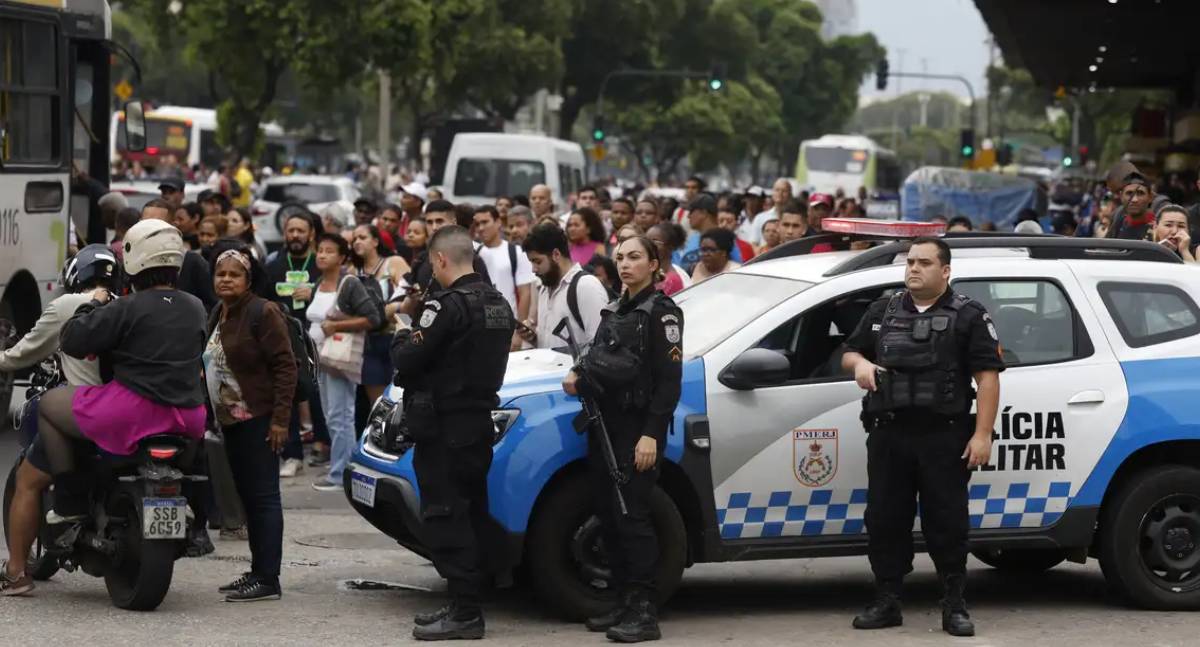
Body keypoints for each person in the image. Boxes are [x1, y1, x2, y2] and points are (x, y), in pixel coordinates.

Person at [841, 237, 1003, 637]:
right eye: (910, 262)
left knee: (947, 523)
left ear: (945, 271)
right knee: (884, 520)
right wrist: (860, 363)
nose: (914, 268)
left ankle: (954, 605)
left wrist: (982, 435)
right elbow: (847, 352)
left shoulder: (968, 315)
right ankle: (887, 600)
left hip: (943, 437)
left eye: (924, 263)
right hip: (889, 434)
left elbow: (987, 378)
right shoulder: (884, 309)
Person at [37, 220, 209, 525]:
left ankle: (70, 500)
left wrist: (91, 305)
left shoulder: (126, 306)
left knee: (49, 405)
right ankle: (187, 503)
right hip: (189, 415)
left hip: (133, 411)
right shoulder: (195, 306)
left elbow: (74, 340)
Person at [390, 225, 514, 640]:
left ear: (441, 259)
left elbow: (408, 358)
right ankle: (469, 600)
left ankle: (465, 612)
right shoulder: (498, 303)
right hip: (477, 423)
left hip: (444, 425)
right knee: (471, 511)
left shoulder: (444, 307)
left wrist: (403, 332)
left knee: (446, 515)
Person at [562, 235, 684, 642]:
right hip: (605, 426)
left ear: (654, 263)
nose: (625, 264)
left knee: (633, 517)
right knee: (609, 514)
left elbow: (668, 384)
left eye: (635, 257)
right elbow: (598, 355)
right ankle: (623, 601)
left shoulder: (661, 312)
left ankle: (644, 612)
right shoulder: (616, 309)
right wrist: (580, 374)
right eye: (620, 258)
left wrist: (651, 434)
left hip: (636, 429)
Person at [1, 246, 119, 595]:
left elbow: (26, 351)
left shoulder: (67, 306)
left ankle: (16, 573)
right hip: (128, 410)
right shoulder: (128, 305)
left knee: (27, 481)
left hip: (81, 409)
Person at [205, 249, 297, 602]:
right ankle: (257, 571)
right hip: (230, 423)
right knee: (249, 499)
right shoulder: (220, 312)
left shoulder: (263, 312)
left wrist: (279, 420)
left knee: (263, 500)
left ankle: (268, 578)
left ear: (248, 280)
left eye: (234, 274)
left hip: (258, 420)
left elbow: (285, 368)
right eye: (220, 273)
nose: (226, 279)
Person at [308, 233, 383, 492]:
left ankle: (341, 473)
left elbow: (373, 318)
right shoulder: (318, 283)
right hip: (321, 358)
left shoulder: (349, 284)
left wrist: (336, 325)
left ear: (342, 258)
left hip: (339, 358)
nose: (322, 255)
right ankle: (341, 468)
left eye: (329, 251)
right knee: (331, 415)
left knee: (341, 415)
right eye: (319, 250)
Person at [264, 211, 326, 477]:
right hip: (283, 339)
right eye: (291, 231)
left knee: (318, 394)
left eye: (301, 230)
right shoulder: (275, 265)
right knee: (286, 395)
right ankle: (292, 454)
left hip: (316, 339)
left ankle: (324, 445)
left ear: (311, 233)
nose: (295, 235)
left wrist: (313, 291)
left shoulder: (320, 264)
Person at [519, 223, 608, 349]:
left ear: (556, 254)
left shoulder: (586, 286)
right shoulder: (544, 288)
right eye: (531, 262)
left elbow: (601, 345)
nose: (533, 269)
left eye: (538, 261)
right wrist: (533, 338)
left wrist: (577, 368)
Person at [353, 223, 410, 403]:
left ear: (376, 241)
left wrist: (393, 309)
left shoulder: (393, 262)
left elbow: (412, 294)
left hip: (396, 338)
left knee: (400, 398)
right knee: (378, 403)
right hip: (368, 342)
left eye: (362, 237)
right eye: (354, 239)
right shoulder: (353, 272)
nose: (356, 242)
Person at [473, 205, 535, 350]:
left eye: (485, 222)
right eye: (477, 224)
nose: (481, 228)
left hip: (509, 326)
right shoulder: (473, 254)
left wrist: (518, 333)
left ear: (498, 222)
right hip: (482, 329)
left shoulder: (515, 252)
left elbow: (525, 293)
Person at [141, 199, 217, 311]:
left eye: (157, 224)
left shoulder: (192, 262)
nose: (149, 230)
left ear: (173, 226)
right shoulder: (132, 260)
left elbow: (212, 306)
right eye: (144, 224)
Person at [646, 223, 691, 296]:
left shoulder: (672, 281)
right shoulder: (649, 273)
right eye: (646, 241)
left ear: (670, 246)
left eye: (655, 242)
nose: (648, 246)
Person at [1109, 172, 1156, 240]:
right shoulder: (1118, 223)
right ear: (1121, 196)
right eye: (1129, 193)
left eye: (1140, 193)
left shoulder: (1158, 228)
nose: (1134, 199)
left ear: (1150, 197)